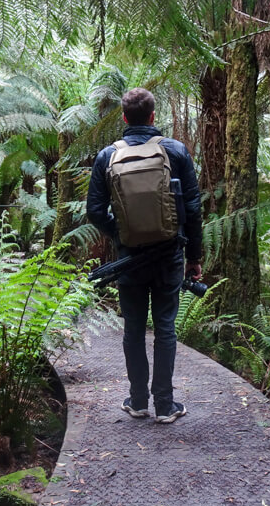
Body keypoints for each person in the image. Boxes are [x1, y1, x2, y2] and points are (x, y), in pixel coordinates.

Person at [86, 88, 203, 423]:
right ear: (153, 116)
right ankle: (165, 406)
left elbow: (95, 211)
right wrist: (194, 257)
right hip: (169, 255)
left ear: (124, 118)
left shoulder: (106, 156)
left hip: (129, 257)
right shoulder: (175, 151)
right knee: (165, 327)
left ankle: (138, 402)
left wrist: (122, 234)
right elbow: (193, 210)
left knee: (134, 328)